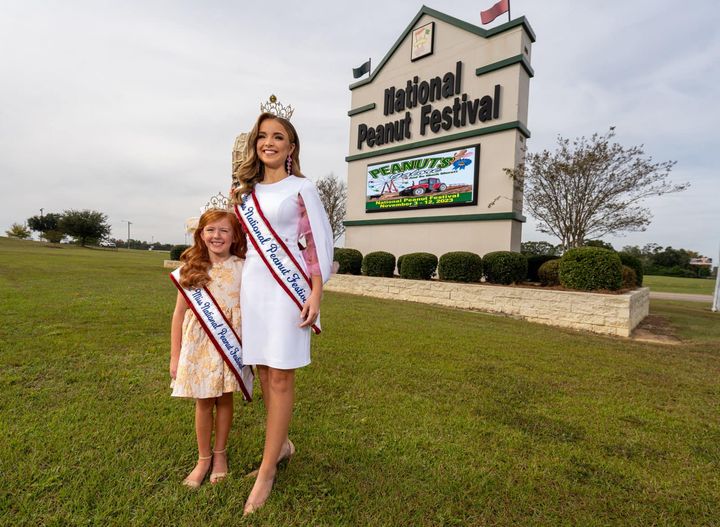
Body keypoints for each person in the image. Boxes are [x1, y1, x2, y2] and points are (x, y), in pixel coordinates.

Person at [232, 112, 334, 515]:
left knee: (281, 378)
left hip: (288, 292)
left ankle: (267, 470)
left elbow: (318, 244)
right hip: (253, 290)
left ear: (291, 148)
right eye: (262, 136)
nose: (269, 143)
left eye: (278, 137)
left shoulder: (303, 188)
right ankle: (283, 446)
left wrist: (316, 292)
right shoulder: (245, 193)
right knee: (263, 371)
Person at [169, 209, 248, 488]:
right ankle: (203, 459)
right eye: (210, 230)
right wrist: (175, 355)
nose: (217, 236)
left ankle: (220, 455)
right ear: (201, 235)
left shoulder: (243, 266)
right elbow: (178, 315)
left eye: (224, 230)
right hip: (199, 344)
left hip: (229, 343)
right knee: (203, 401)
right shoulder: (192, 267)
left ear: (234, 235)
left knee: (225, 398)